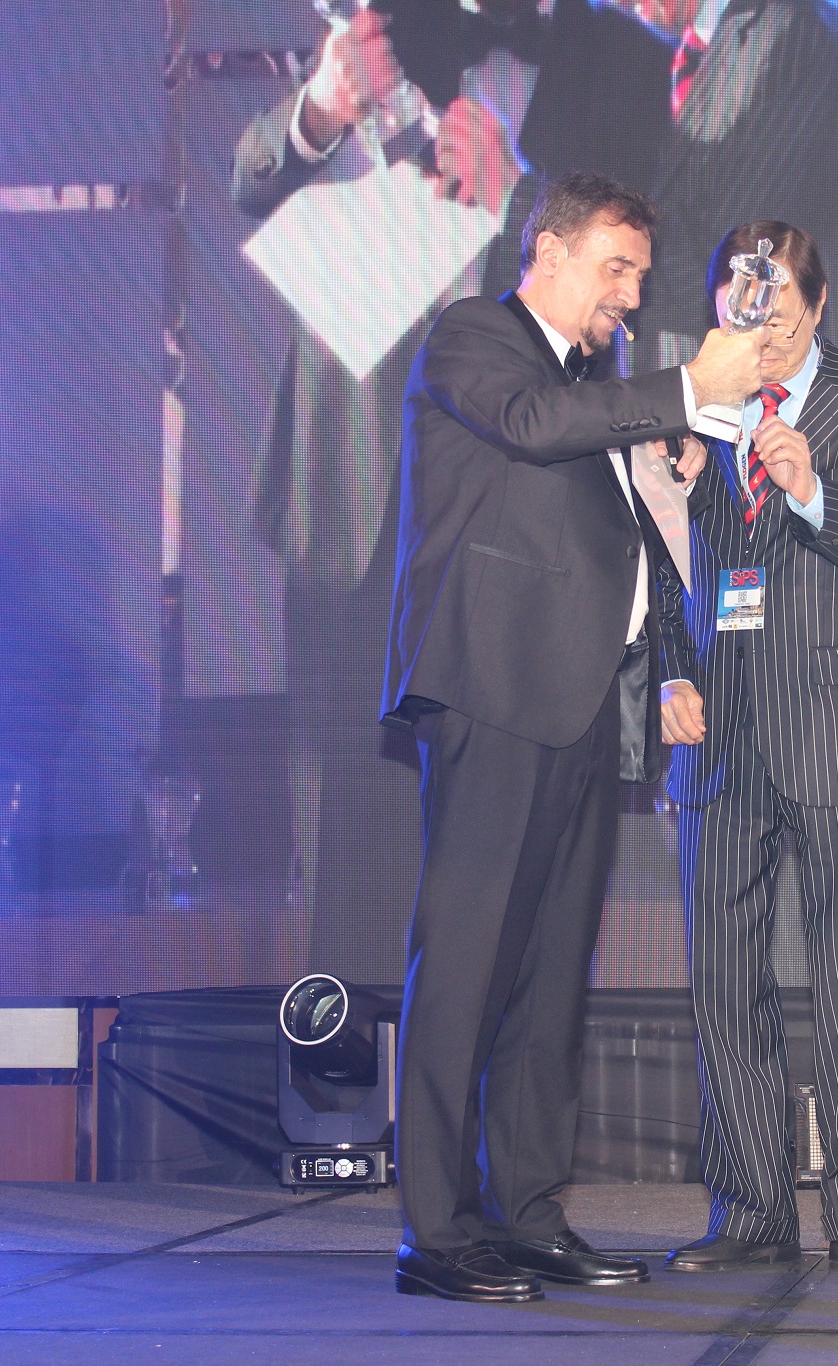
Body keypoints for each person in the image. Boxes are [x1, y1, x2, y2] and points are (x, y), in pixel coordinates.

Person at [384, 173, 761, 1304]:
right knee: (465, 965)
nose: (632, 294)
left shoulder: (596, 384)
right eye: (617, 268)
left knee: (550, 979)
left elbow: (626, 557)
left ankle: (531, 1214)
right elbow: (532, 428)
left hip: (585, 704)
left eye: (641, 274)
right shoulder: (474, 339)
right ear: (546, 252)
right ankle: (437, 1232)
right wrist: (687, 389)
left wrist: (670, 477)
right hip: (495, 694)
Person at [230, 0, 672, 951]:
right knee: (348, 848)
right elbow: (251, 182)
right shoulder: (385, 21)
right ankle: (340, 1082)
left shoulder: (625, 56)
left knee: (504, 858)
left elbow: (639, 280)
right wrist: (320, 105)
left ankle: (484, 1094)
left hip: (521, 498)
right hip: (350, 484)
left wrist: (521, 195)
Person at [656, 222, 838, 1275]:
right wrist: (672, 671)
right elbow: (665, 564)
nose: (755, 333)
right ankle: (750, 1211)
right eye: (739, 311)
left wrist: (813, 491)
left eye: (773, 315)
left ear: (817, 309)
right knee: (725, 983)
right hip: (721, 737)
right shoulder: (693, 412)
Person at [624, 0, 838, 378]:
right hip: (732, 387)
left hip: (793, 405)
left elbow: (752, 256)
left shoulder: (798, 29)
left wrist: (621, 268)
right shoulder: (729, 32)